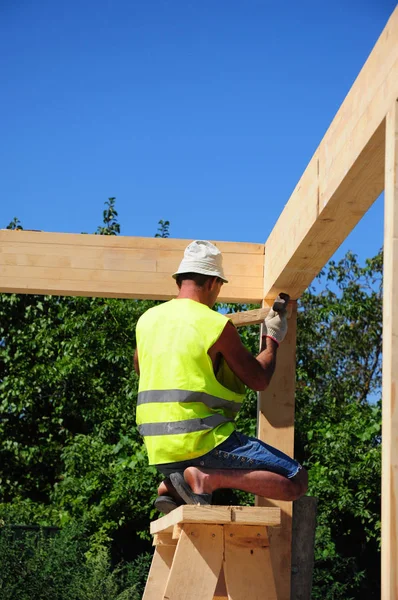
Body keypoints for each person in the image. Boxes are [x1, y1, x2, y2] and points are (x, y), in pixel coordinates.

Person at [134, 240, 308, 513]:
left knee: (192, 466)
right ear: (214, 282)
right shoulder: (215, 324)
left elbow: (141, 368)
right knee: (296, 479)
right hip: (203, 442)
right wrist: (272, 338)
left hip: (160, 449)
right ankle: (207, 479)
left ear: (180, 280)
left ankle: (173, 484)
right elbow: (259, 379)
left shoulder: (147, 321)